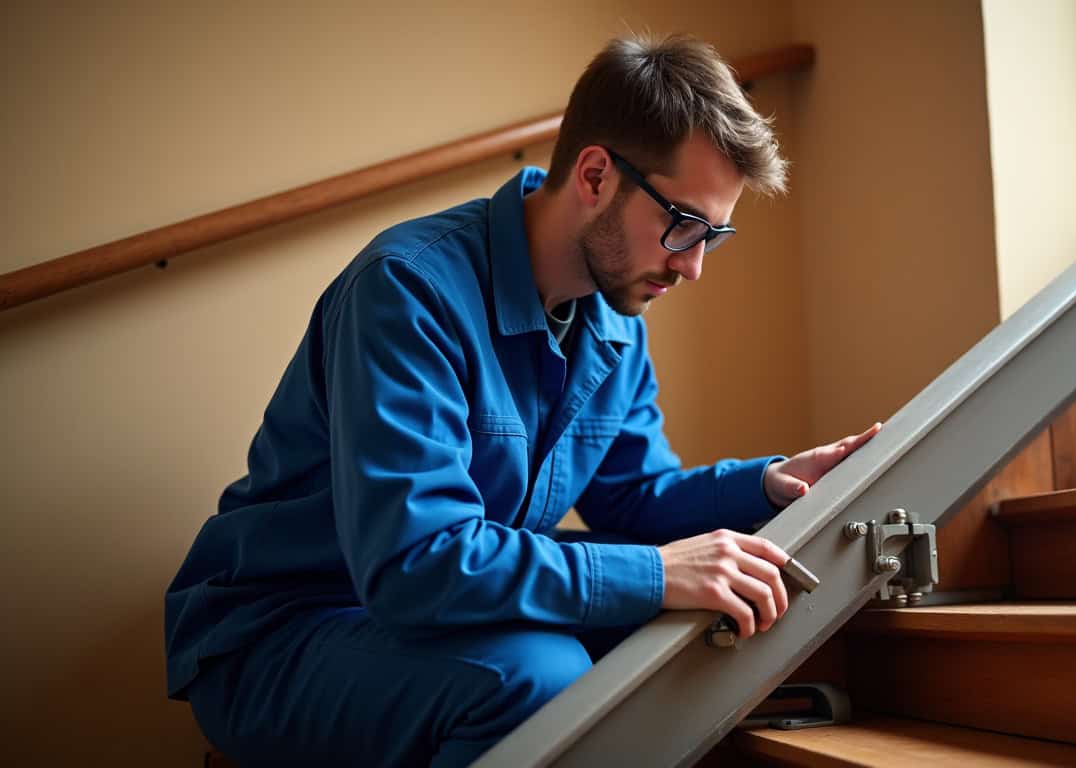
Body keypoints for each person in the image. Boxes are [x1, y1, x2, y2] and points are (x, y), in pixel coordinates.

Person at [165, 33, 881, 767]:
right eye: (683, 225)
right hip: (276, 633)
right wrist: (658, 572)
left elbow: (633, 498)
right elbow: (416, 561)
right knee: (540, 679)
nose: (693, 266)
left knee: (688, 630)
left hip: (437, 617)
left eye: (713, 236)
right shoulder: (408, 290)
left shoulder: (615, 321)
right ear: (596, 176)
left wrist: (770, 484)